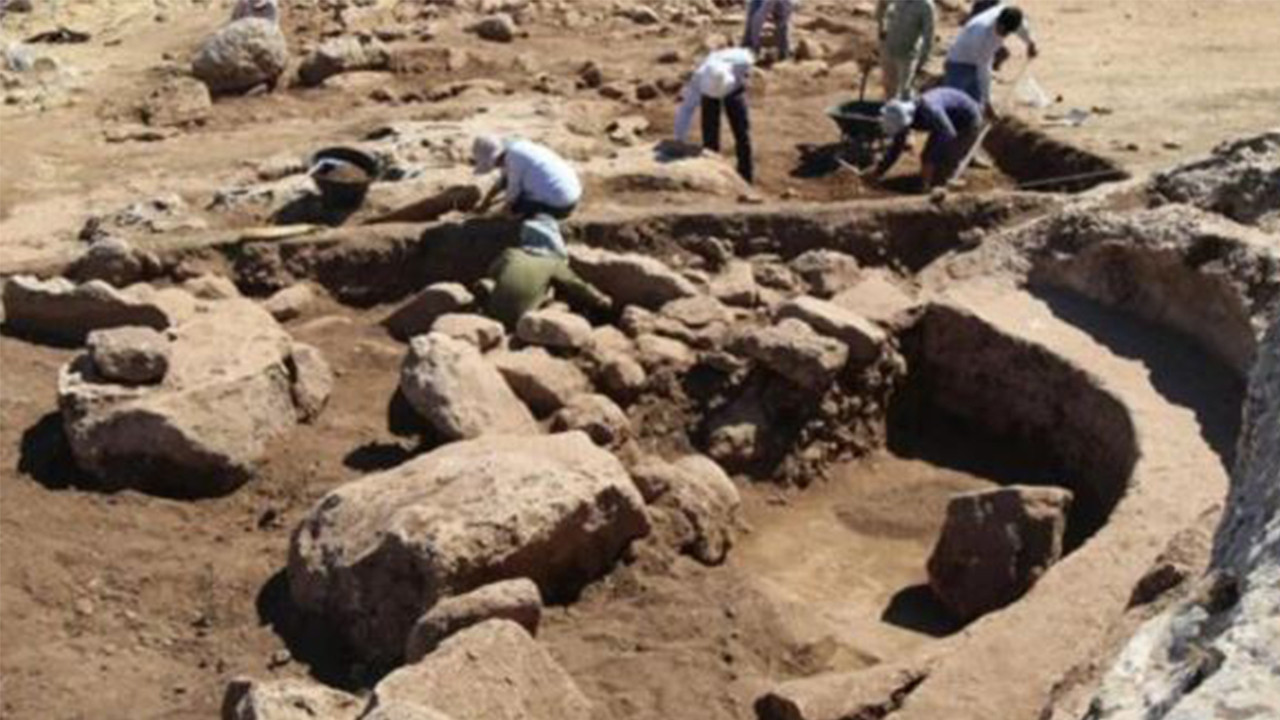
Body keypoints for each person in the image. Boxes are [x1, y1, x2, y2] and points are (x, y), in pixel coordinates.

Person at [486, 215, 612, 329]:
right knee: (561, 301)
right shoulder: (553, 262)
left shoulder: (511, 253)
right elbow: (576, 285)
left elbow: (491, 273)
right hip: (524, 321)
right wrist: (600, 298)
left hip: (492, 314)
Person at [867, 86, 983, 190]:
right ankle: (929, 181)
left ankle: (946, 185)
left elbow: (949, 134)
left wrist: (928, 159)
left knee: (942, 167)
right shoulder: (903, 114)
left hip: (967, 123)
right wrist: (878, 172)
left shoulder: (931, 111)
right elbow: (897, 146)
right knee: (931, 162)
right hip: (946, 121)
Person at [674, 48, 756, 183]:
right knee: (710, 131)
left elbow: (749, 65)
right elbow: (685, 110)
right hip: (711, 88)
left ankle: (746, 176)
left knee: (741, 131)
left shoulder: (742, 61)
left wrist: (743, 80)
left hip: (733, 88)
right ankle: (712, 172)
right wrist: (679, 138)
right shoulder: (699, 80)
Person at [943, 4, 1038, 109]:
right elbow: (984, 69)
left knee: (975, 108)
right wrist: (987, 101)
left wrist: (1030, 43)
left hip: (977, 64)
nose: (1003, 35)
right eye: (1001, 30)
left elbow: (1022, 26)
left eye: (1007, 33)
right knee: (951, 102)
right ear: (998, 21)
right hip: (958, 64)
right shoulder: (981, 32)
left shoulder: (1008, 15)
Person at [472, 135, 583, 219]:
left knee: (515, 207)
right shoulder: (516, 149)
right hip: (573, 194)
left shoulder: (514, 160)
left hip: (559, 205)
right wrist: (487, 200)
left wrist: (501, 213)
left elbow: (512, 193)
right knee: (518, 194)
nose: (496, 168)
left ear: (494, 159)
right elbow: (503, 181)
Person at [876, 0, 936, 100]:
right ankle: (888, 112)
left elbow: (928, 36)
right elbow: (881, 5)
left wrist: (922, 60)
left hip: (908, 55)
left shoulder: (925, 5)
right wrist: (881, 26)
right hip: (888, 49)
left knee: (904, 92)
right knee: (889, 89)